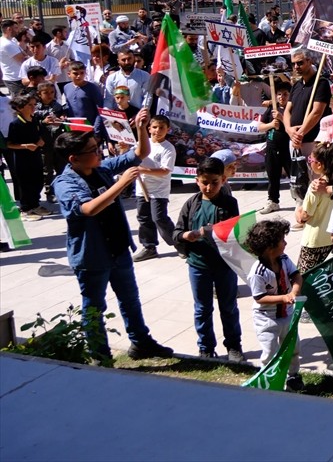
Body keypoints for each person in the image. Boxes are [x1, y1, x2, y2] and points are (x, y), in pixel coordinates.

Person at [52, 118, 174, 361]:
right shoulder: (64, 183)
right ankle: (100, 354)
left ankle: (141, 342)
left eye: (98, 147)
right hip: (92, 256)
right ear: (73, 159)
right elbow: (88, 209)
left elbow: (140, 153)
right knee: (95, 308)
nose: (99, 153)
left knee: (130, 299)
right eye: (93, 151)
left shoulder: (101, 169)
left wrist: (140, 128)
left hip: (118, 249)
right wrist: (121, 184)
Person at [172, 156, 243, 363]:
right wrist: (187, 236)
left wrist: (211, 231)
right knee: (202, 308)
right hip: (198, 265)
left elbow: (234, 232)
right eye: (205, 182)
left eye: (214, 182)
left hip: (224, 265)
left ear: (223, 180)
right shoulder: (191, 204)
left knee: (228, 306)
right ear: (197, 180)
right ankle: (206, 348)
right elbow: (176, 233)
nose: (209, 187)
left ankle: (234, 346)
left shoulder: (229, 203)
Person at [245, 219, 303, 390]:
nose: (285, 243)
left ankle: (293, 376)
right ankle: (267, 378)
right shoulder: (258, 272)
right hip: (267, 319)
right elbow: (259, 297)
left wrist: (294, 292)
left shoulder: (284, 259)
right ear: (270, 248)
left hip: (288, 314)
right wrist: (283, 298)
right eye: (282, 240)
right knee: (270, 350)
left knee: (292, 347)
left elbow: (297, 276)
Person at [285, 50, 331, 205]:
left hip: (312, 142)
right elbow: (287, 111)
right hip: (295, 141)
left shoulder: (321, 83)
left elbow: (317, 111)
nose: (296, 66)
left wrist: (301, 133)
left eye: (300, 62)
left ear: (309, 61)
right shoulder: (296, 85)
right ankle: (301, 208)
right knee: (298, 178)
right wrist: (289, 130)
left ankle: (315, 209)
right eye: (293, 64)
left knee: (314, 178)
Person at [131, 115, 177, 261]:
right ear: (149, 128)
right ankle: (149, 247)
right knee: (144, 218)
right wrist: (124, 148)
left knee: (159, 218)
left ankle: (179, 242)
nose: (158, 130)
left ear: (168, 129)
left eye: (162, 127)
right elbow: (131, 157)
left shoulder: (168, 148)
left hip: (159, 190)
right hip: (142, 187)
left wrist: (142, 170)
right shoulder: (142, 143)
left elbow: (164, 170)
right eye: (155, 127)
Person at [295, 141, 333, 273]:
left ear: (319, 164)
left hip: (314, 240)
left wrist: (298, 214)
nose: (309, 161)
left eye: (311, 159)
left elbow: (305, 215)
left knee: (305, 279)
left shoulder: (316, 186)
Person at [4, 91, 49, 217]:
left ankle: (35, 204)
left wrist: (40, 141)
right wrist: (25, 146)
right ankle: (26, 208)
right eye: (30, 105)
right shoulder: (15, 124)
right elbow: (9, 144)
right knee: (25, 183)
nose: (33, 107)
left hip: (35, 156)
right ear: (20, 108)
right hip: (22, 158)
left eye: (34, 104)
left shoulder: (34, 120)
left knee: (38, 180)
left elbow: (38, 135)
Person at [257, 79, 291, 214]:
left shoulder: (290, 109)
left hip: (287, 148)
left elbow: (293, 125)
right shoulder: (272, 109)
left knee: (294, 176)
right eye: (279, 94)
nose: (281, 97)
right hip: (272, 148)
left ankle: (300, 199)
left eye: (285, 94)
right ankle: (273, 201)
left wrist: (282, 119)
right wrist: (271, 125)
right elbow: (260, 126)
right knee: (273, 176)